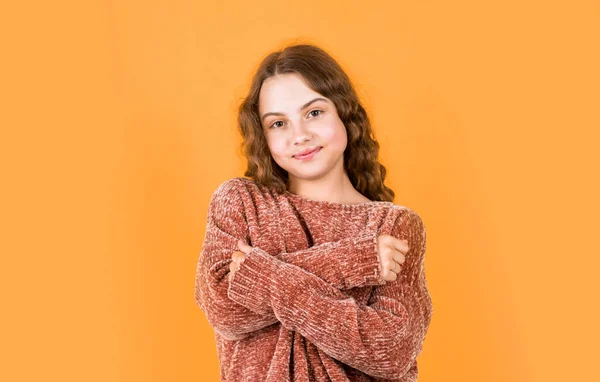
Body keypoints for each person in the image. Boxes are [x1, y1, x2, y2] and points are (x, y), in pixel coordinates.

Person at [194, 43, 433, 381]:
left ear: (345, 114)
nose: (300, 135)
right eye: (278, 123)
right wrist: (354, 261)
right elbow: (225, 309)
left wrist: (259, 274)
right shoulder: (241, 202)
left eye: (314, 113)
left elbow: (391, 351)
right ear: (263, 136)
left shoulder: (392, 225)